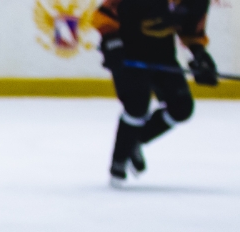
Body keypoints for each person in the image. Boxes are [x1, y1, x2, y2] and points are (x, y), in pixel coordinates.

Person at [93, 0, 217, 184]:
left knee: (181, 108)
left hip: (163, 54)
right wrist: (111, 42)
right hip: (128, 52)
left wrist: (199, 54)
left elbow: (191, 29)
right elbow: (103, 15)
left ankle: (135, 140)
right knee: (137, 104)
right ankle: (118, 162)